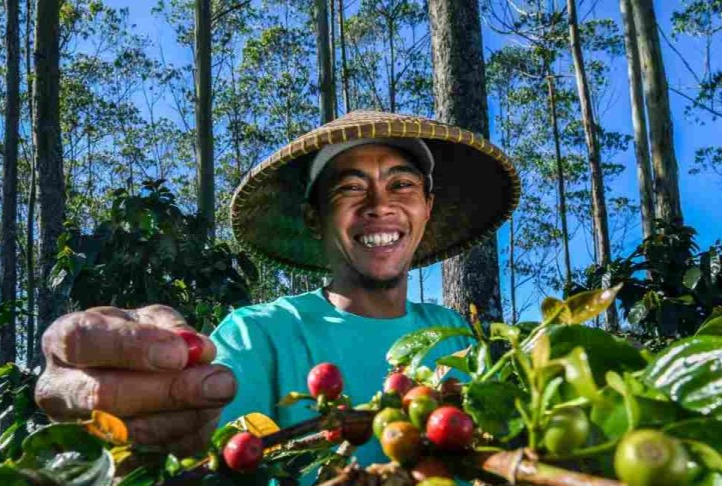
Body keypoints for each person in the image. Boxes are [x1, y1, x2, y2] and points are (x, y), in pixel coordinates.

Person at [35, 111, 520, 466]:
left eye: (402, 186)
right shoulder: (260, 335)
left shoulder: (454, 333)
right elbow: (203, 428)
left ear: (427, 208)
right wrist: (136, 408)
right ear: (315, 217)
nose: (379, 205)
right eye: (350, 189)